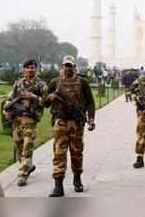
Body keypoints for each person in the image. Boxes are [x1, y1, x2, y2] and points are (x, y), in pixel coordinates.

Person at [45, 55, 96, 197]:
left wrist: (91, 119)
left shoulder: (82, 82)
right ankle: (58, 185)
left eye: (71, 66)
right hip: (60, 122)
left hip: (77, 124)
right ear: (62, 66)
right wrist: (50, 97)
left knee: (77, 153)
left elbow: (91, 102)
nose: (68, 68)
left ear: (75, 67)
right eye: (66, 65)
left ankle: (77, 179)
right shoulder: (55, 82)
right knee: (59, 153)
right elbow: (45, 103)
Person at [3, 59, 47, 187]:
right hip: (16, 119)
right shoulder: (18, 83)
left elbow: (46, 102)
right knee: (19, 146)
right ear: (24, 69)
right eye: (28, 67)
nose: (30, 70)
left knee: (27, 146)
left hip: (30, 120)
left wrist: (32, 97)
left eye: (33, 67)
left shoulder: (41, 85)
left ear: (36, 69)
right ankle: (29, 165)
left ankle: (22, 174)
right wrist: (7, 107)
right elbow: (11, 97)